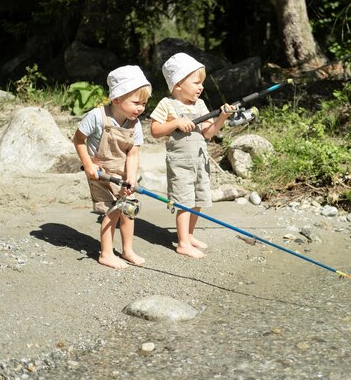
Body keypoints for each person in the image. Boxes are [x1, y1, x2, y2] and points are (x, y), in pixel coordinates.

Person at [150, 53, 233, 259]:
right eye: (196, 82)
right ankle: (182, 243)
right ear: (178, 84)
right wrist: (176, 123)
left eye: (201, 83)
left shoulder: (200, 105)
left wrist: (222, 117)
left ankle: (188, 234)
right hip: (180, 162)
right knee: (184, 201)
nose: (200, 87)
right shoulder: (167, 104)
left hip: (200, 160)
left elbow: (208, 133)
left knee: (197, 199)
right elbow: (155, 130)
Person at [73, 65, 152, 269]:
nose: (141, 108)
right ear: (117, 99)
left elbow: (133, 153)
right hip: (100, 172)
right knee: (112, 211)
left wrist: (132, 178)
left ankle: (128, 250)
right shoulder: (97, 117)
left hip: (124, 172)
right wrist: (88, 164)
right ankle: (106, 253)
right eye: (136, 102)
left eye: (144, 103)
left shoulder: (135, 123)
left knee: (129, 210)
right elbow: (78, 139)